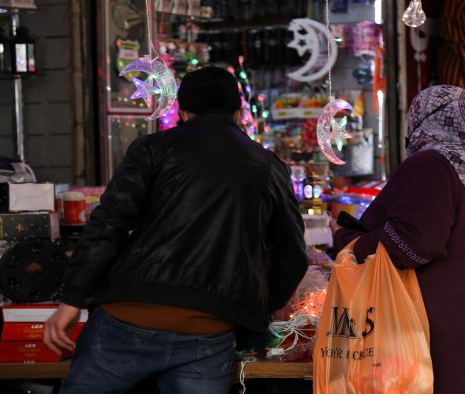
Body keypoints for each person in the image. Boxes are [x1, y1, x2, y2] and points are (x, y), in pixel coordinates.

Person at [43, 67, 309, 394]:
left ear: (182, 112)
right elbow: (293, 256)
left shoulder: (152, 149)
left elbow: (109, 224)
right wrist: (254, 309)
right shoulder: (269, 166)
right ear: (239, 113)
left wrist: (72, 299)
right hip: (210, 329)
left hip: (129, 316)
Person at [330, 85, 465, 394]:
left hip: (429, 340)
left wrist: (346, 240)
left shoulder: (431, 165)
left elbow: (412, 245)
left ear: (422, 119)